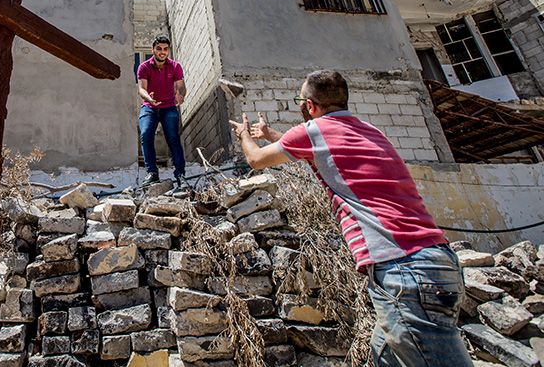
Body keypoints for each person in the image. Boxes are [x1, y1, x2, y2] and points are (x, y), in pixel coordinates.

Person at [229, 70, 472, 367]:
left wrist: (244, 134)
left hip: (402, 272)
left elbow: (256, 160)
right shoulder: (369, 131)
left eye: (300, 100)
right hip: (435, 261)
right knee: (382, 358)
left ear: (311, 105)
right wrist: (269, 135)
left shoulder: (313, 132)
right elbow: (314, 150)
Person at [137, 35, 189, 190]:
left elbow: (181, 85)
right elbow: (141, 89)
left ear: (168, 51)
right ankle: (152, 173)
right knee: (146, 134)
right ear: (153, 49)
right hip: (149, 107)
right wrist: (149, 98)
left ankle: (180, 175)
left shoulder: (175, 66)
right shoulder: (144, 67)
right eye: (159, 48)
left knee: (173, 138)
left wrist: (181, 93)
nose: (162, 52)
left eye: (165, 49)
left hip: (169, 107)